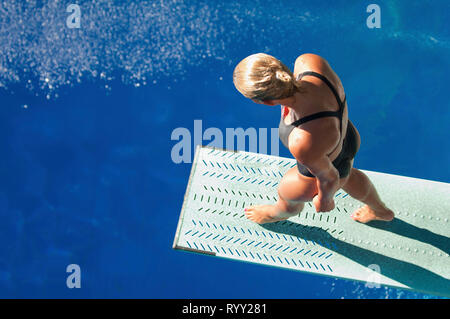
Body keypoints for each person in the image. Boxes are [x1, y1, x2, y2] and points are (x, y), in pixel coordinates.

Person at [233, 53, 394, 224]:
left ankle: (275, 214)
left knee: (287, 197)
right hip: (347, 137)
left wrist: (325, 200)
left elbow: (330, 177)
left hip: (325, 165)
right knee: (348, 174)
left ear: (265, 102)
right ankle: (381, 211)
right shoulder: (310, 62)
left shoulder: (301, 141)